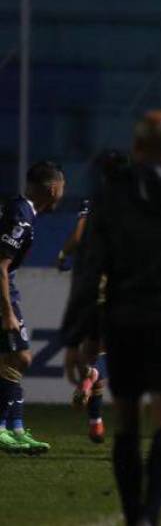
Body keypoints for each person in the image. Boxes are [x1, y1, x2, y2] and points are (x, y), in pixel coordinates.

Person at [66, 111, 161, 526]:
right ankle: (149, 522)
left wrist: (76, 334)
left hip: (125, 317)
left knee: (126, 422)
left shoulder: (111, 196)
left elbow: (90, 270)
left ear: (137, 147)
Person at [58, 150, 129, 443]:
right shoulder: (137, 203)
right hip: (126, 290)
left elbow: (80, 234)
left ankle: (96, 421)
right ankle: (93, 384)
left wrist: (64, 253)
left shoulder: (96, 203)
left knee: (92, 350)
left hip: (96, 288)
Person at [0, 161, 66, 455]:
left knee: (14, 358)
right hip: (4, 293)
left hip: (8, 289)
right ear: (53, 189)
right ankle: (4, 427)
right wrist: (7, 312)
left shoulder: (19, 209)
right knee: (20, 356)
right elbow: (0, 265)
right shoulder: (21, 215)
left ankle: (14, 428)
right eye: (62, 188)